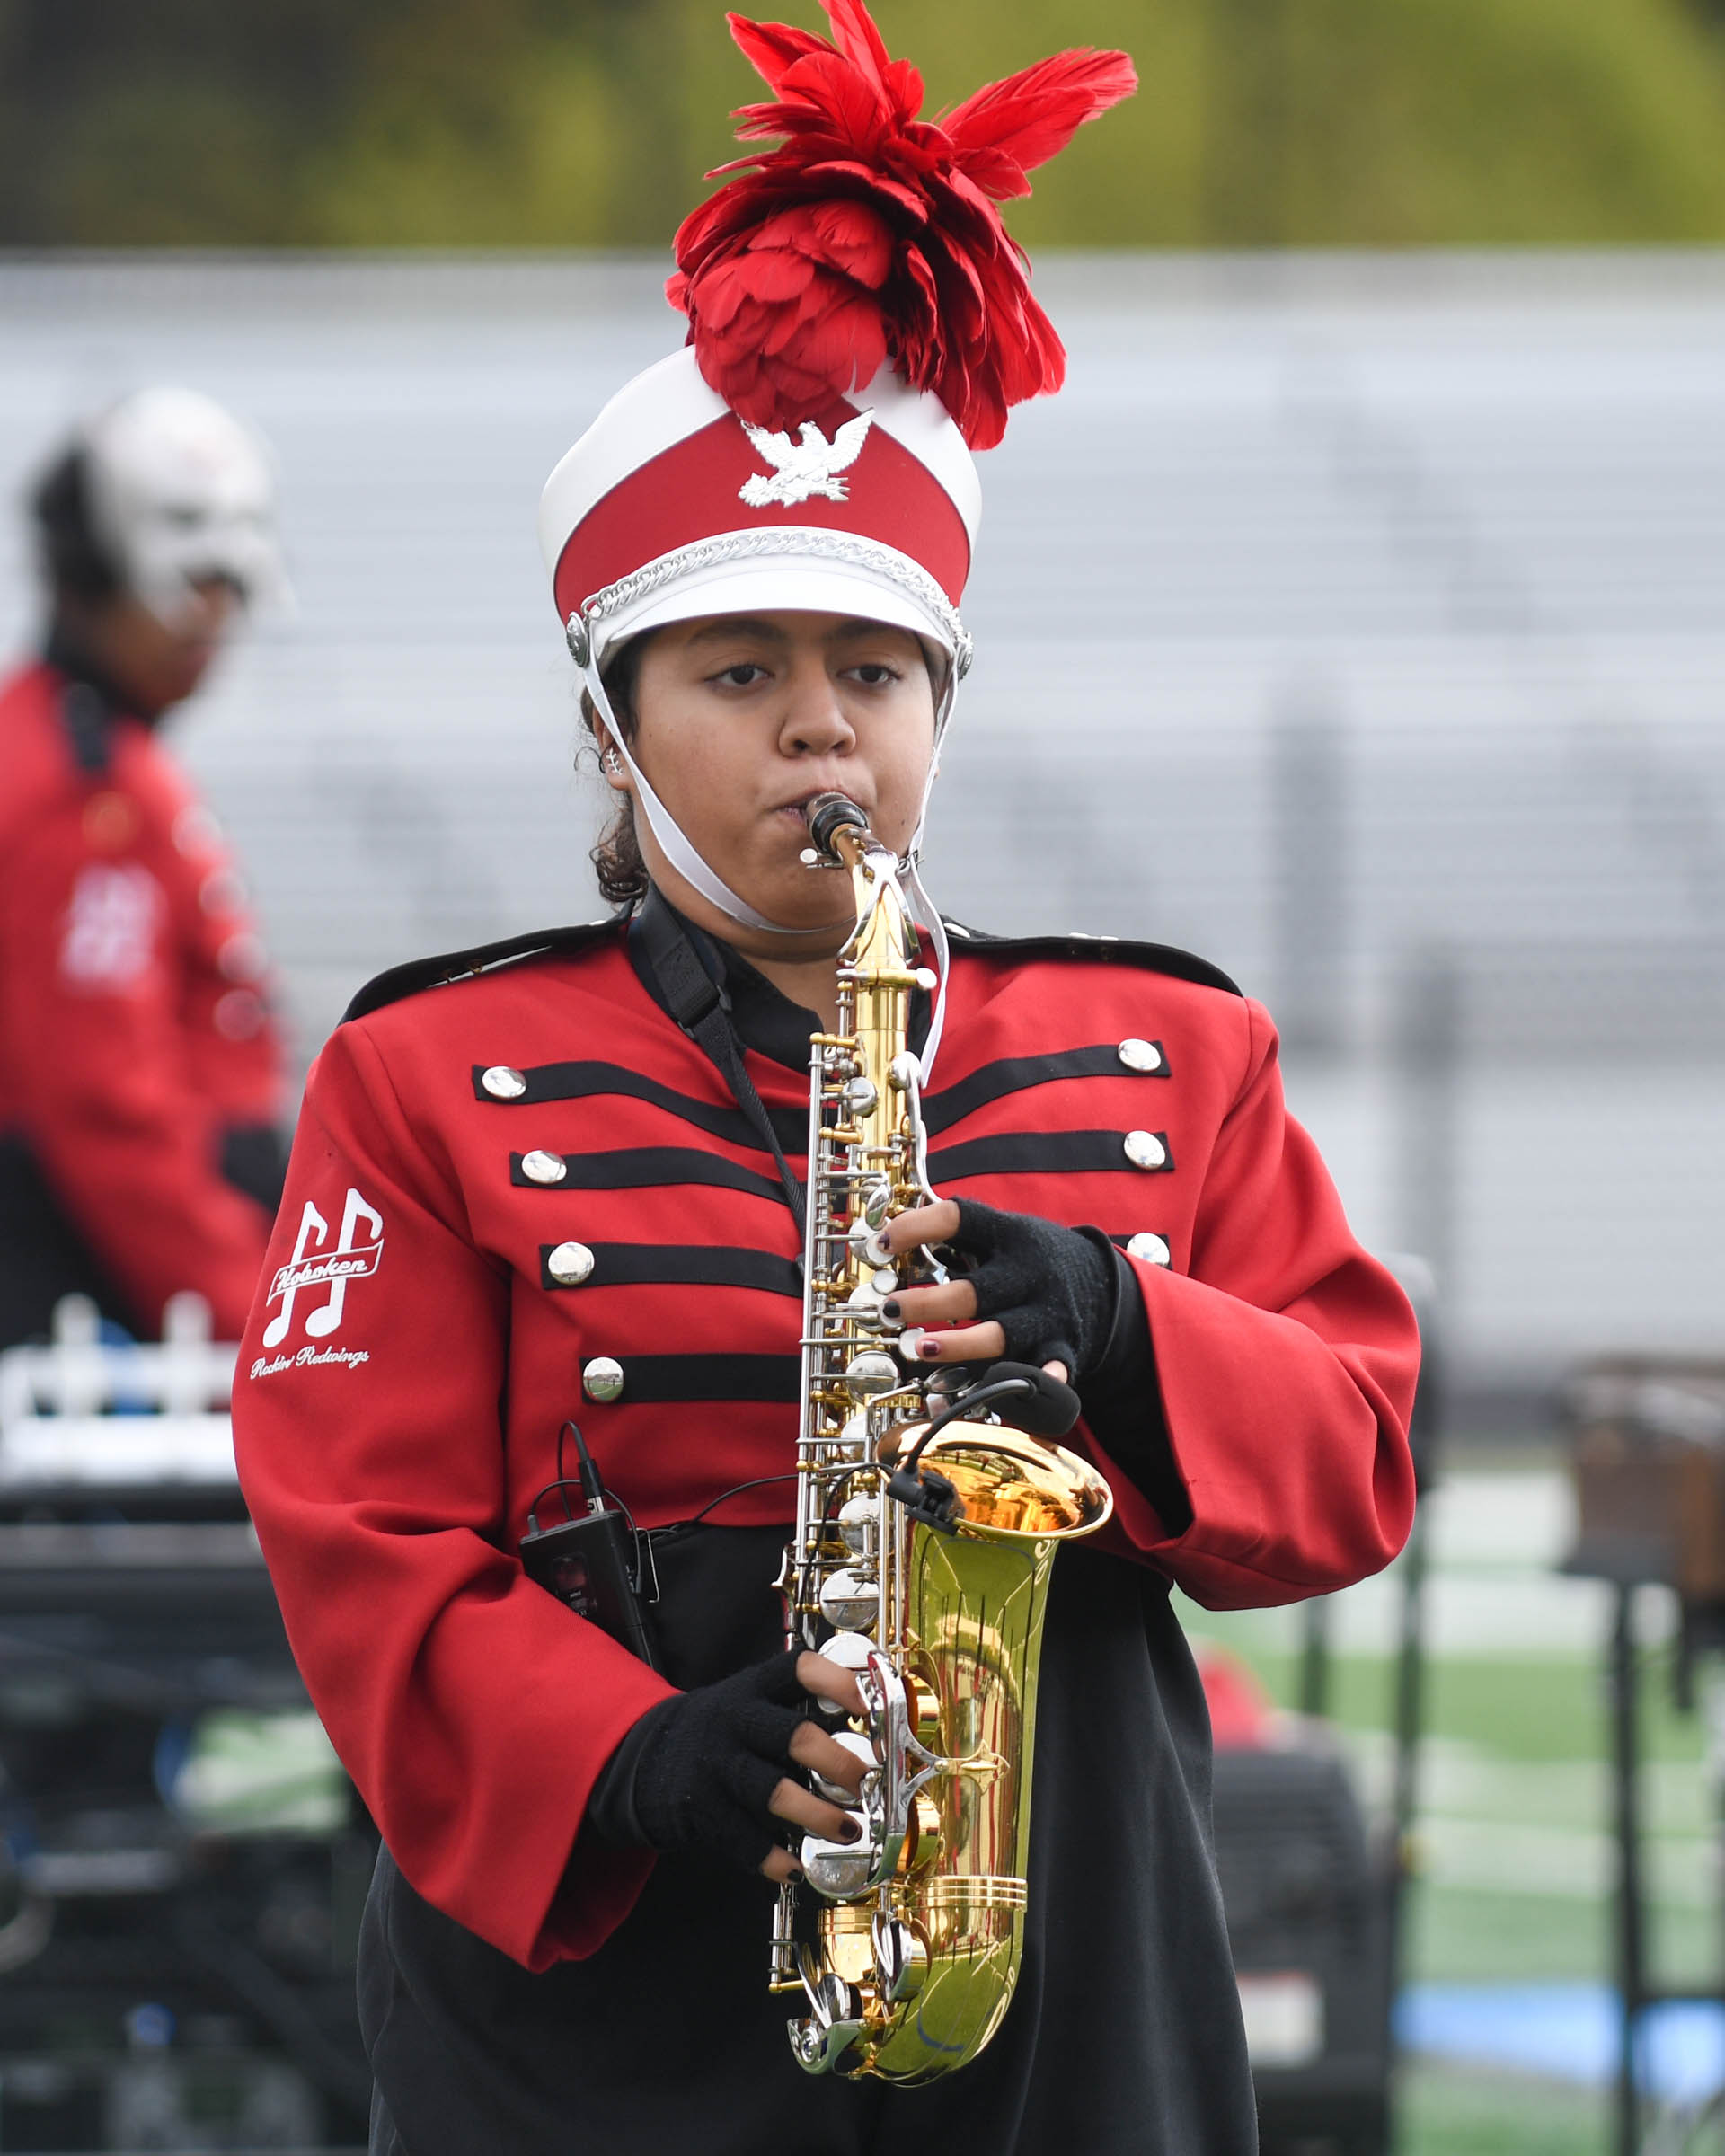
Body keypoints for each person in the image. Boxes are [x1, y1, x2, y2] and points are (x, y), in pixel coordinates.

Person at [232, 7, 1420, 2152]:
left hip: (1068, 1971)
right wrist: (637, 1751)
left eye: (871, 670)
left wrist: (1129, 1327)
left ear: (942, 702)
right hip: (609, 1997)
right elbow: (358, 1535)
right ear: (610, 721)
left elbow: (1352, 1447)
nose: (817, 732)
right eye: (737, 670)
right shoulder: (431, 1068)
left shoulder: (1166, 1040)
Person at [0, 386, 289, 1348]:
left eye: (229, 591)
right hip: (111, 1299)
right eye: (190, 588)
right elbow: (106, 1109)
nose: (213, 624)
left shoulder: (83, 757)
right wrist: (254, 1331)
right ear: (95, 574)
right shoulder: (80, 794)